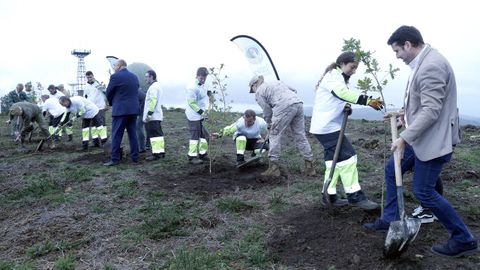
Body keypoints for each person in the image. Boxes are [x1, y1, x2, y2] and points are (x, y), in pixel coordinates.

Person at [363, 25, 478, 257]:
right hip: (421, 136)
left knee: (423, 191)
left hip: (433, 139)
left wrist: (404, 137)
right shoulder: (423, 62)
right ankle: (391, 219)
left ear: (408, 44)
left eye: (397, 51)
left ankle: (463, 239)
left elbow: (432, 110)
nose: (397, 57)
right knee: (391, 169)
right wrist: (403, 116)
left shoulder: (431, 66)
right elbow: (419, 101)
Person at [309, 51, 381, 210]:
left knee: (332, 162)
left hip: (326, 126)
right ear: (342, 63)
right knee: (348, 158)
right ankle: (355, 196)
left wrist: (345, 107)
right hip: (327, 127)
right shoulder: (333, 77)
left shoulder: (339, 78)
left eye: (356, 68)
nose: (354, 71)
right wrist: (367, 100)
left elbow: (338, 98)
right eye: (352, 67)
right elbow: (341, 93)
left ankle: (329, 196)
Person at [249, 75, 315, 177]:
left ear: (254, 85)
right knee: (300, 136)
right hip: (298, 103)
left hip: (283, 106)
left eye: (252, 89)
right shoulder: (276, 82)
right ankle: (309, 167)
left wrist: (269, 126)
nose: (253, 92)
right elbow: (294, 90)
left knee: (274, 135)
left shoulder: (259, 91)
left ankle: (274, 168)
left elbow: (267, 110)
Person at [104, 59, 140, 166]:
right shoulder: (134, 76)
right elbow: (136, 90)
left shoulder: (115, 76)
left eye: (115, 66)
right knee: (133, 134)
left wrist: (111, 102)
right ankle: (135, 158)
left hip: (120, 110)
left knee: (116, 135)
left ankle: (115, 159)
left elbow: (108, 92)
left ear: (119, 66)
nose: (114, 68)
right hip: (133, 110)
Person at [185, 67, 212, 165]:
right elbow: (192, 103)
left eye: (205, 77)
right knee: (195, 136)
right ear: (197, 76)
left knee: (205, 136)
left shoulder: (204, 84)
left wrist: (210, 95)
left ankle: (203, 154)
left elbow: (207, 91)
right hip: (193, 116)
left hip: (201, 116)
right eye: (201, 78)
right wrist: (202, 112)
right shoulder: (191, 87)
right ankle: (191, 157)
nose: (203, 80)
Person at [143, 70, 165, 161]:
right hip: (156, 116)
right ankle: (160, 153)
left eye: (147, 76)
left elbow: (153, 101)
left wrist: (149, 114)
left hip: (152, 117)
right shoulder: (157, 86)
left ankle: (156, 154)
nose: (145, 79)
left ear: (151, 77)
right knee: (158, 134)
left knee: (154, 135)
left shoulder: (153, 88)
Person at [84, 71, 108, 145]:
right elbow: (85, 97)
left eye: (90, 77)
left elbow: (105, 92)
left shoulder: (98, 84)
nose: (89, 78)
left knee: (102, 123)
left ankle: (104, 140)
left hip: (100, 107)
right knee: (93, 125)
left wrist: (103, 88)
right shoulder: (86, 87)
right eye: (88, 77)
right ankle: (95, 141)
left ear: (93, 76)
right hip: (91, 109)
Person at [137, 87, 148, 153]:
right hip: (143, 112)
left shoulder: (138, 93)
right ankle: (146, 145)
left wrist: (138, 114)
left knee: (138, 128)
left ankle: (142, 147)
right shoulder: (139, 92)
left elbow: (140, 104)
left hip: (142, 113)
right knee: (144, 128)